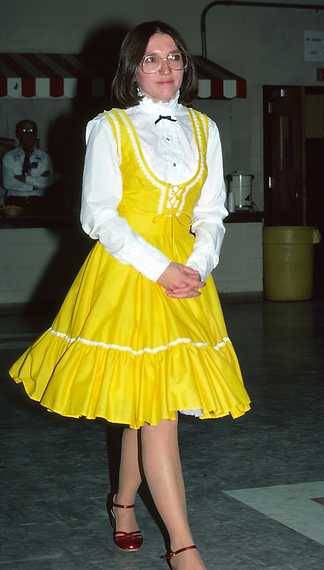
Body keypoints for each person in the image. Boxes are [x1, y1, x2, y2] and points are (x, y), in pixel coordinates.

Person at [9, 21, 251, 570]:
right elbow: (98, 216)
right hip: (129, 273)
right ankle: (184, 549)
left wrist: (196, 264)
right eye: (151, 59)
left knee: (144, 404)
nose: (166, 68)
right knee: (156, 412)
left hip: (187, 278)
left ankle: (123, 502)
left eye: (174, 58)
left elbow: (211, 210)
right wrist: (159, 267)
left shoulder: (205, 128)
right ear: (131, 70)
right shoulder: (109, 127)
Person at [2, 119, 53, 211]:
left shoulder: (45, 157)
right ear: (18, 134)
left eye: (31, 131)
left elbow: (47, 182)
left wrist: (25, 179)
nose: (28, 134)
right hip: (14, 201)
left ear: (36, 134)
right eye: (24, 131)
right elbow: (7, 183)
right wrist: (33, 185)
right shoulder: (9, 157)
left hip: (38, 201)